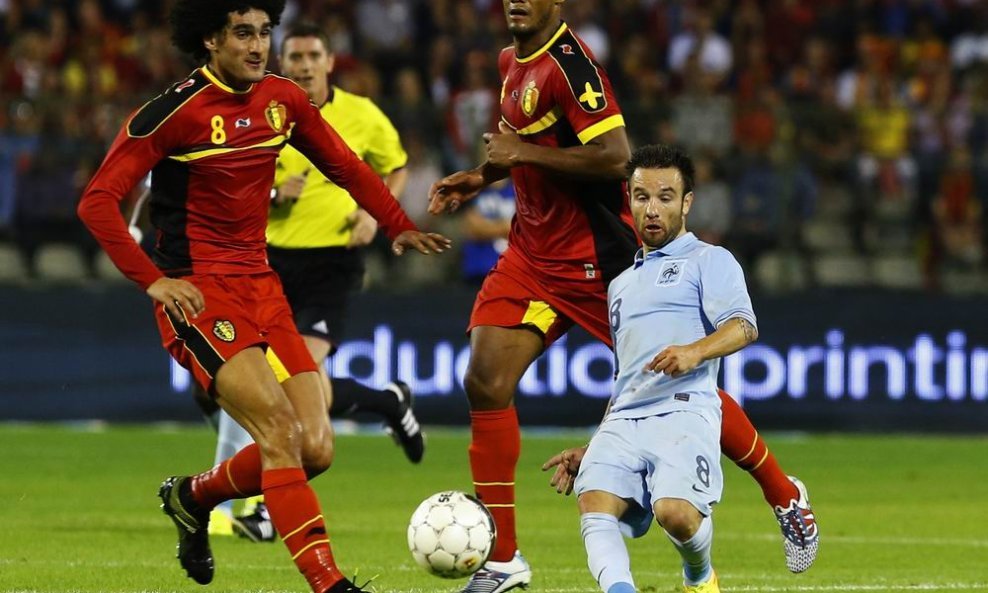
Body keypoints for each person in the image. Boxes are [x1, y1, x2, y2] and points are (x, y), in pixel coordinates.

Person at [427, 2, 817, 589]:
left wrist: (520, 155)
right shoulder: (513, 61)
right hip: (531, 254)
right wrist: (482, 177)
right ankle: (504, 559)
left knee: (678, 380)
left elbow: (614, 157)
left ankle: (785, 495)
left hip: (595, 257)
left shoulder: (573, 67)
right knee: (484, 380)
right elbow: (524, 149)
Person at [76, 2, 449, 593]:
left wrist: (397, 222)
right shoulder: (172, 112)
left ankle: (191, 497)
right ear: (209, 42)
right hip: (200, 294)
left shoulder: (282, 99)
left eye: (264, 32)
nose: (258, 45)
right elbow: (97, 202)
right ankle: (330, 583)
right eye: (242, 33)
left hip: (263, 286)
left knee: (316, 446)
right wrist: (153, 279)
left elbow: (345, 164)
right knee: (277, 431)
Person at [206, 20, 426, 542]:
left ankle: (259, 505)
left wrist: (373, 216)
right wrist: (277, 197)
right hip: (270, 260)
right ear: (283, 61)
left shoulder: (363, 115)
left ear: (330, 62)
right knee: (285, 382)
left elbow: (395, 167)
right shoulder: (263, 110)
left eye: (313, 56)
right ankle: (385, 402)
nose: (304, 65)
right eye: (295, 57)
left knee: (288, 375)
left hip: (332, 262)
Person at [543, 144, 756, 593]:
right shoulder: (620, 285)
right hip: (625, 419)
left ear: (687, 203)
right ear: (630, 200)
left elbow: (743, 327)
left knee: (675, 514)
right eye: (641, 197)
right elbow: (626, 376)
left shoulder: (709, 260)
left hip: (684, 410)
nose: (652, 209)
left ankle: (699, 575)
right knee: (594, 502)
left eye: (664, 196)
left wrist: (695, 351)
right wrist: (595, 443)